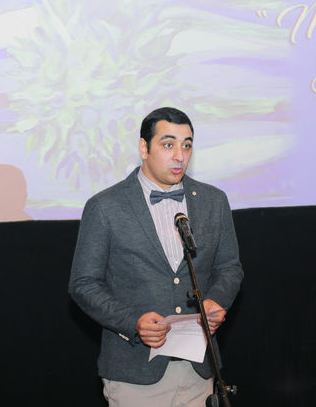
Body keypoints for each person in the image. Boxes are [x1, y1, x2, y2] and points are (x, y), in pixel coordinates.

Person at [68, 107, 244, 406]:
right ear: (144, 148)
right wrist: (133, 321)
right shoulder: (105, 206)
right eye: (168, 144)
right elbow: (83, 284)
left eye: (186, 145)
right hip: (135, 373)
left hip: (199, 369)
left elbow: (230, 267)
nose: (179, 155)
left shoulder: (213, 201)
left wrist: (216, 301)